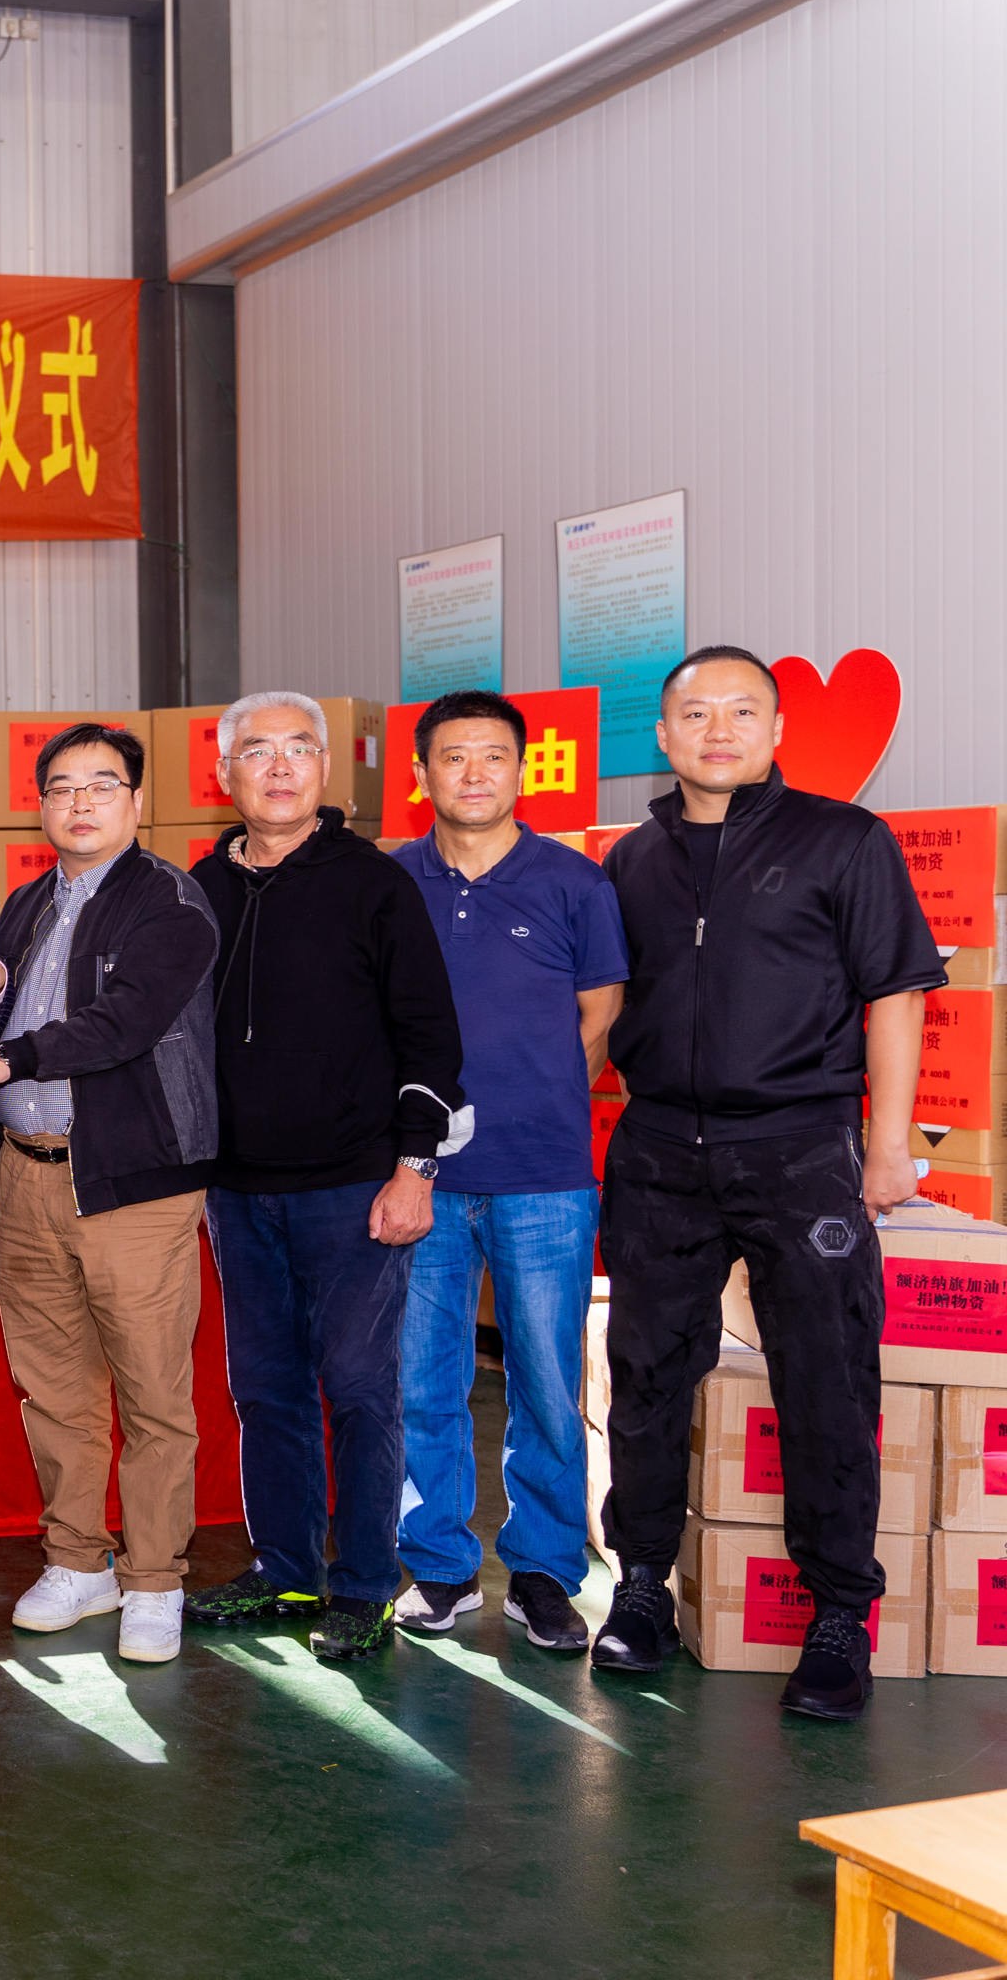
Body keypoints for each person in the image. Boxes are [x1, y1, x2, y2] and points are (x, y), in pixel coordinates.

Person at [590, 645, 943, 1721]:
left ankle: (839, 1615)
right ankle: (642, 1585)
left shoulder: (845, 839)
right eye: (696, 713)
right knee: (646, 1370)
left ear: (778, 729)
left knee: (827, 1377)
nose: (719, 730)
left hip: (800, 1148)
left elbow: (896, 994)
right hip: (659, 1147)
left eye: (742, 711)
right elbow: (606, 1005)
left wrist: (887, 1145)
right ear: (663, 734)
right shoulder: (630, 859)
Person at [181, 692, 466, 1663]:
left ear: (325, 768)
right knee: (266, 1388)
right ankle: (287, 1567)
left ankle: (366, 1583)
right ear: (224, 772)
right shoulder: (201, 887)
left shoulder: (375, 884)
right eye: (256, 750)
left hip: (354, 1186)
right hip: (236, 1189)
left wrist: (414, 1168)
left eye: (298, 748)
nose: (279, 767)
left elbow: (431, 1035)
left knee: (358, 1386)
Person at [0, 722, 219, 1665]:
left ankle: (154, 1577)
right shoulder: (26, 903)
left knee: (151, 1392)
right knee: (54, 1386)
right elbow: (0, 1013)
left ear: (137, 801)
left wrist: (7, 1057)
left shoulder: (169, 902)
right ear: (41, 806)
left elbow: (122, 1024)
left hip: (132, 1183)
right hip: (28, 1175)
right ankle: (77, 1559)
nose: (80, 803)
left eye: (102, 786)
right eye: (61, 788)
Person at [387, 691, 627, 1653]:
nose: (475, 773)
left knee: (545, 1381)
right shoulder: (389, 880)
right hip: (419, 1175)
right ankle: (439, 1566)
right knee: (422, 1379)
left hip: (544, 1175)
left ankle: (543, 1571)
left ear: (523, 769)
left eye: (493, 755)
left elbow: (599, 1016)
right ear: (422, 775)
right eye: (454, 756)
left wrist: (538, 1099)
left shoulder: (574, 882)